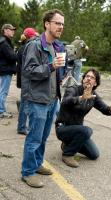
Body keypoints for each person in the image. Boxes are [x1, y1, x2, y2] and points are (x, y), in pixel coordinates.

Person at [21, 9, 66, 188]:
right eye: (57, 23)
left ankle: (37, 164)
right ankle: (28, 172)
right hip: (37, 100)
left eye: (62, 24)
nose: (60, 26)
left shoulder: (57, 46)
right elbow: (28, 71)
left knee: (43, 137)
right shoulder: (35, 45)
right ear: (47, 24)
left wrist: (61, 74)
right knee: (34, 138)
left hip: (52, 99)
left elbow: (56, 71)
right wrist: (50, 66)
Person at [55, 68, 111, 168]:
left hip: (77, 130)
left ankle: (67, 145)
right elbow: (65, 101)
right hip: (63, 128)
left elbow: (104, 109)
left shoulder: (94, 96)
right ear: (83, 79)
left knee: (94, 154)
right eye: (87, 76)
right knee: (87, 131)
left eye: (92, 78)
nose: (88, 79)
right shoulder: (73, 89)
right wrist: (81, 97)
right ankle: (67, 154)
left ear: (95, 83)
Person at [16, 28, 38, 135]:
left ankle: (21, 126)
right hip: (27, 80)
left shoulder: (22, 47)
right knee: (25, 104)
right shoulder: (29, 47)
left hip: (23, 79)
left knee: (24, 103)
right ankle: (21, 127)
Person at [0, 24, 17, 118]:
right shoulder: (4, 43)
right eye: (11, 29)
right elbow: (12, 57)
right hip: (5, 70)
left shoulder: (3, 41)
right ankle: (1, 111)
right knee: (3, 91)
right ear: (5, 30)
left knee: (1, 90)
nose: (13, 31)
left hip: (3, 69)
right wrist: (17, 55)